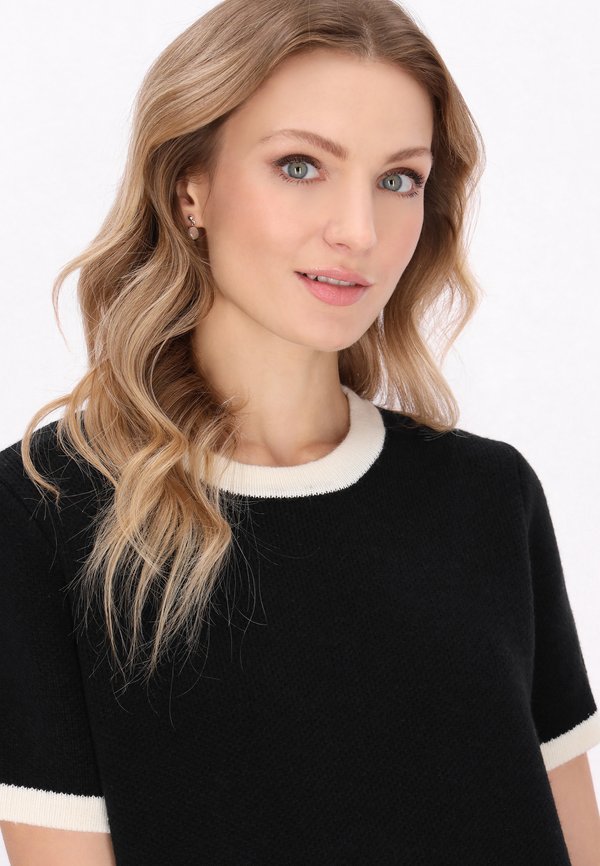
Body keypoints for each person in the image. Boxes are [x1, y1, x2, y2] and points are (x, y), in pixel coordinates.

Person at [1, 0, 599, 863]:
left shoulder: (488, 497)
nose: (359, 231)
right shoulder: (45, 513)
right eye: (300, 165)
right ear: (189, 188)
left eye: (399, 179)